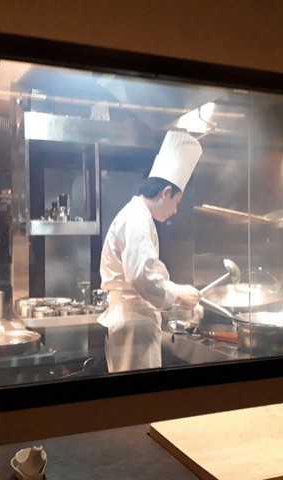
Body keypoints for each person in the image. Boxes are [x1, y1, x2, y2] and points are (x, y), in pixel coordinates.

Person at [98, 130, 204, 372]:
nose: (175, 210)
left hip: (133, 322)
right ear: (166, 193)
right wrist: (178, 294)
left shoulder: (138, 215)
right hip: (134, 324)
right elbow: (142, 276)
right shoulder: (137, 219)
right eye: (177, 202)